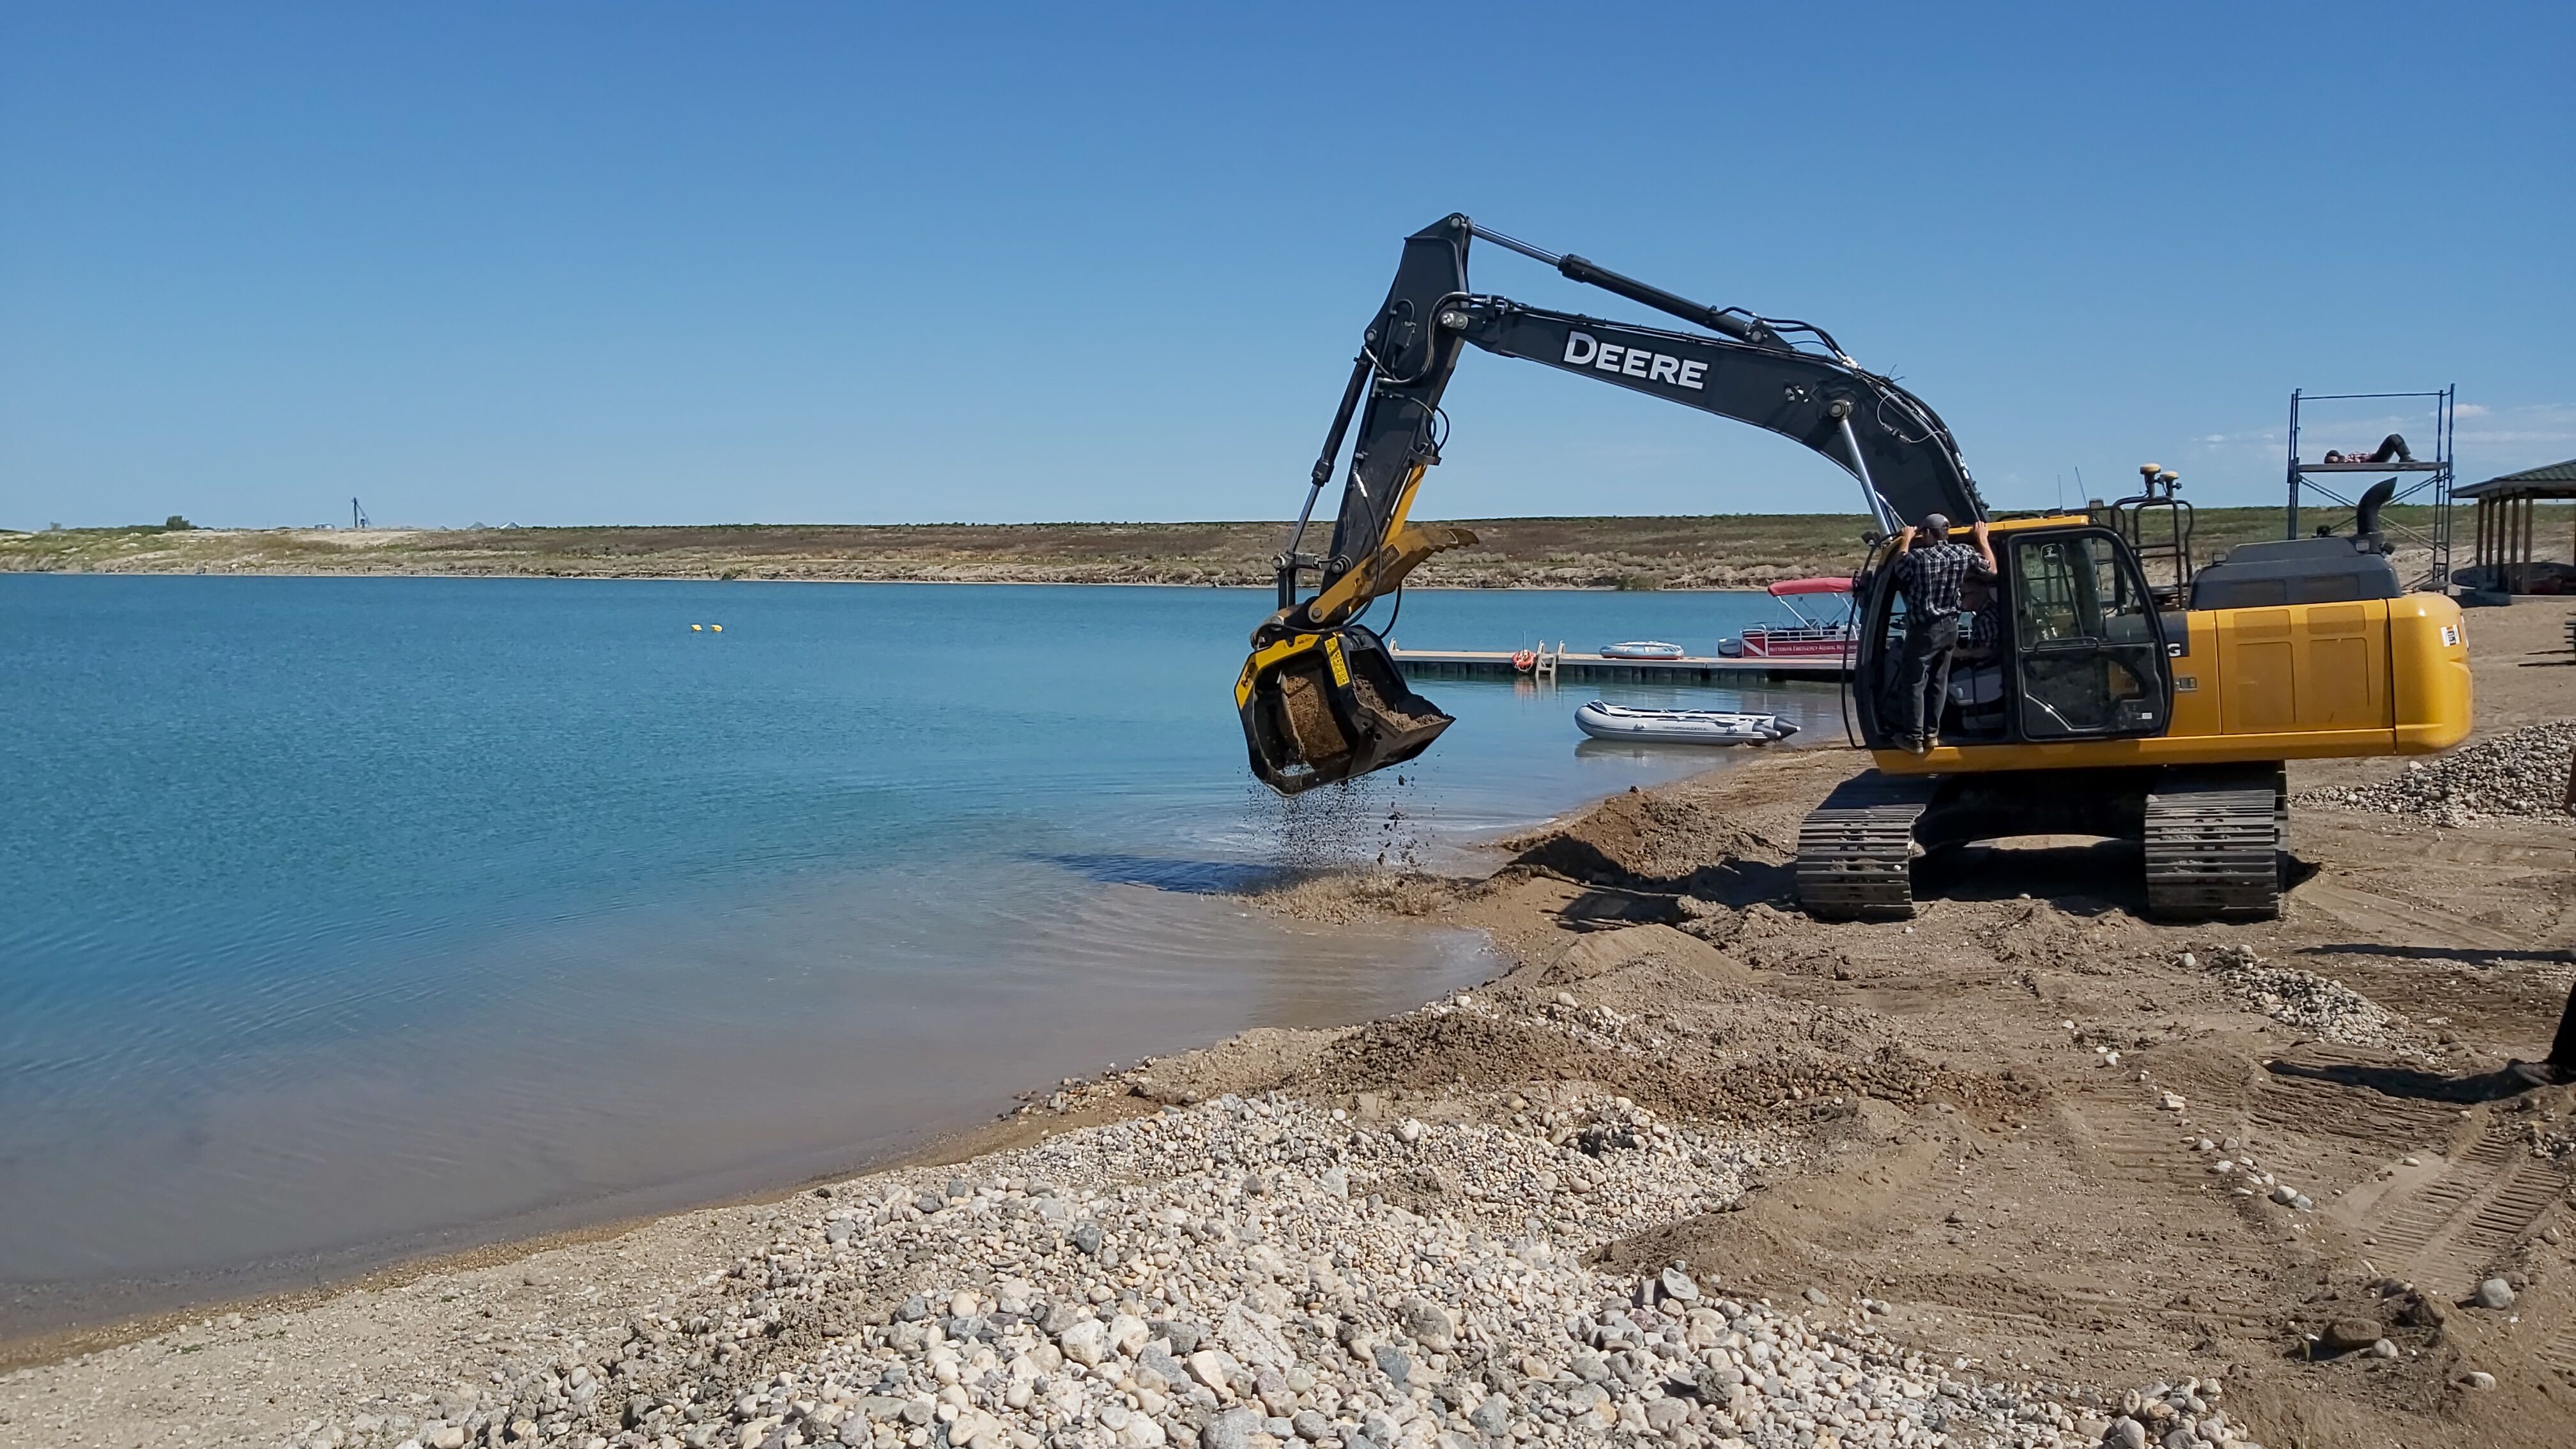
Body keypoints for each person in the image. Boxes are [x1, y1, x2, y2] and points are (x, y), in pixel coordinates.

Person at [1883, 513, 1996, 753]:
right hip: (1950, 628)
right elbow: (1991, 570)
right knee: (1938, 681)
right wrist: (1982, 540)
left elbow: (1900, 569)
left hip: (1925, 629)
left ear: (1925, 533)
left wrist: (1905, 539)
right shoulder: (1963, 553)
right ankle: (1932, 735)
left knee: (1914, 682)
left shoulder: (1917, 558)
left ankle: (1913, 737)